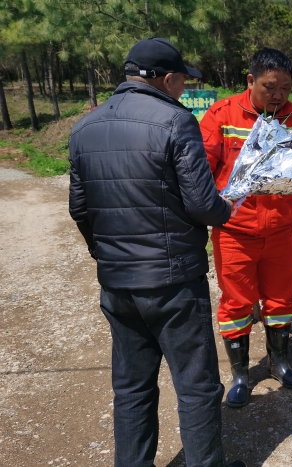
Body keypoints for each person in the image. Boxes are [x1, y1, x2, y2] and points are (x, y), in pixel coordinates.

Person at [69, 37, 246, 467]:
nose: (184, 88)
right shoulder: (175, 121)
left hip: (117, 284)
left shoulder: (83, 127)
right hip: (173, 284)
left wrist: (107, 254)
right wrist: (229, 207)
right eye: (183, 80)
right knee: (197, 386)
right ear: (167, 79)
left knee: (131, 388)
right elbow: (203, 204)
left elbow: (79, 209)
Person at [200, 48, 292, 408]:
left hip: (280, 233)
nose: (278, 95)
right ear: (250, 81)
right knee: (237, 303)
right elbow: (200, 168)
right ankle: (241, 374)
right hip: (234, 234)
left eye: (286, 88)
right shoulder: (222, 115)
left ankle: (279, 362)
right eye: (269, 87)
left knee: (280, 301)